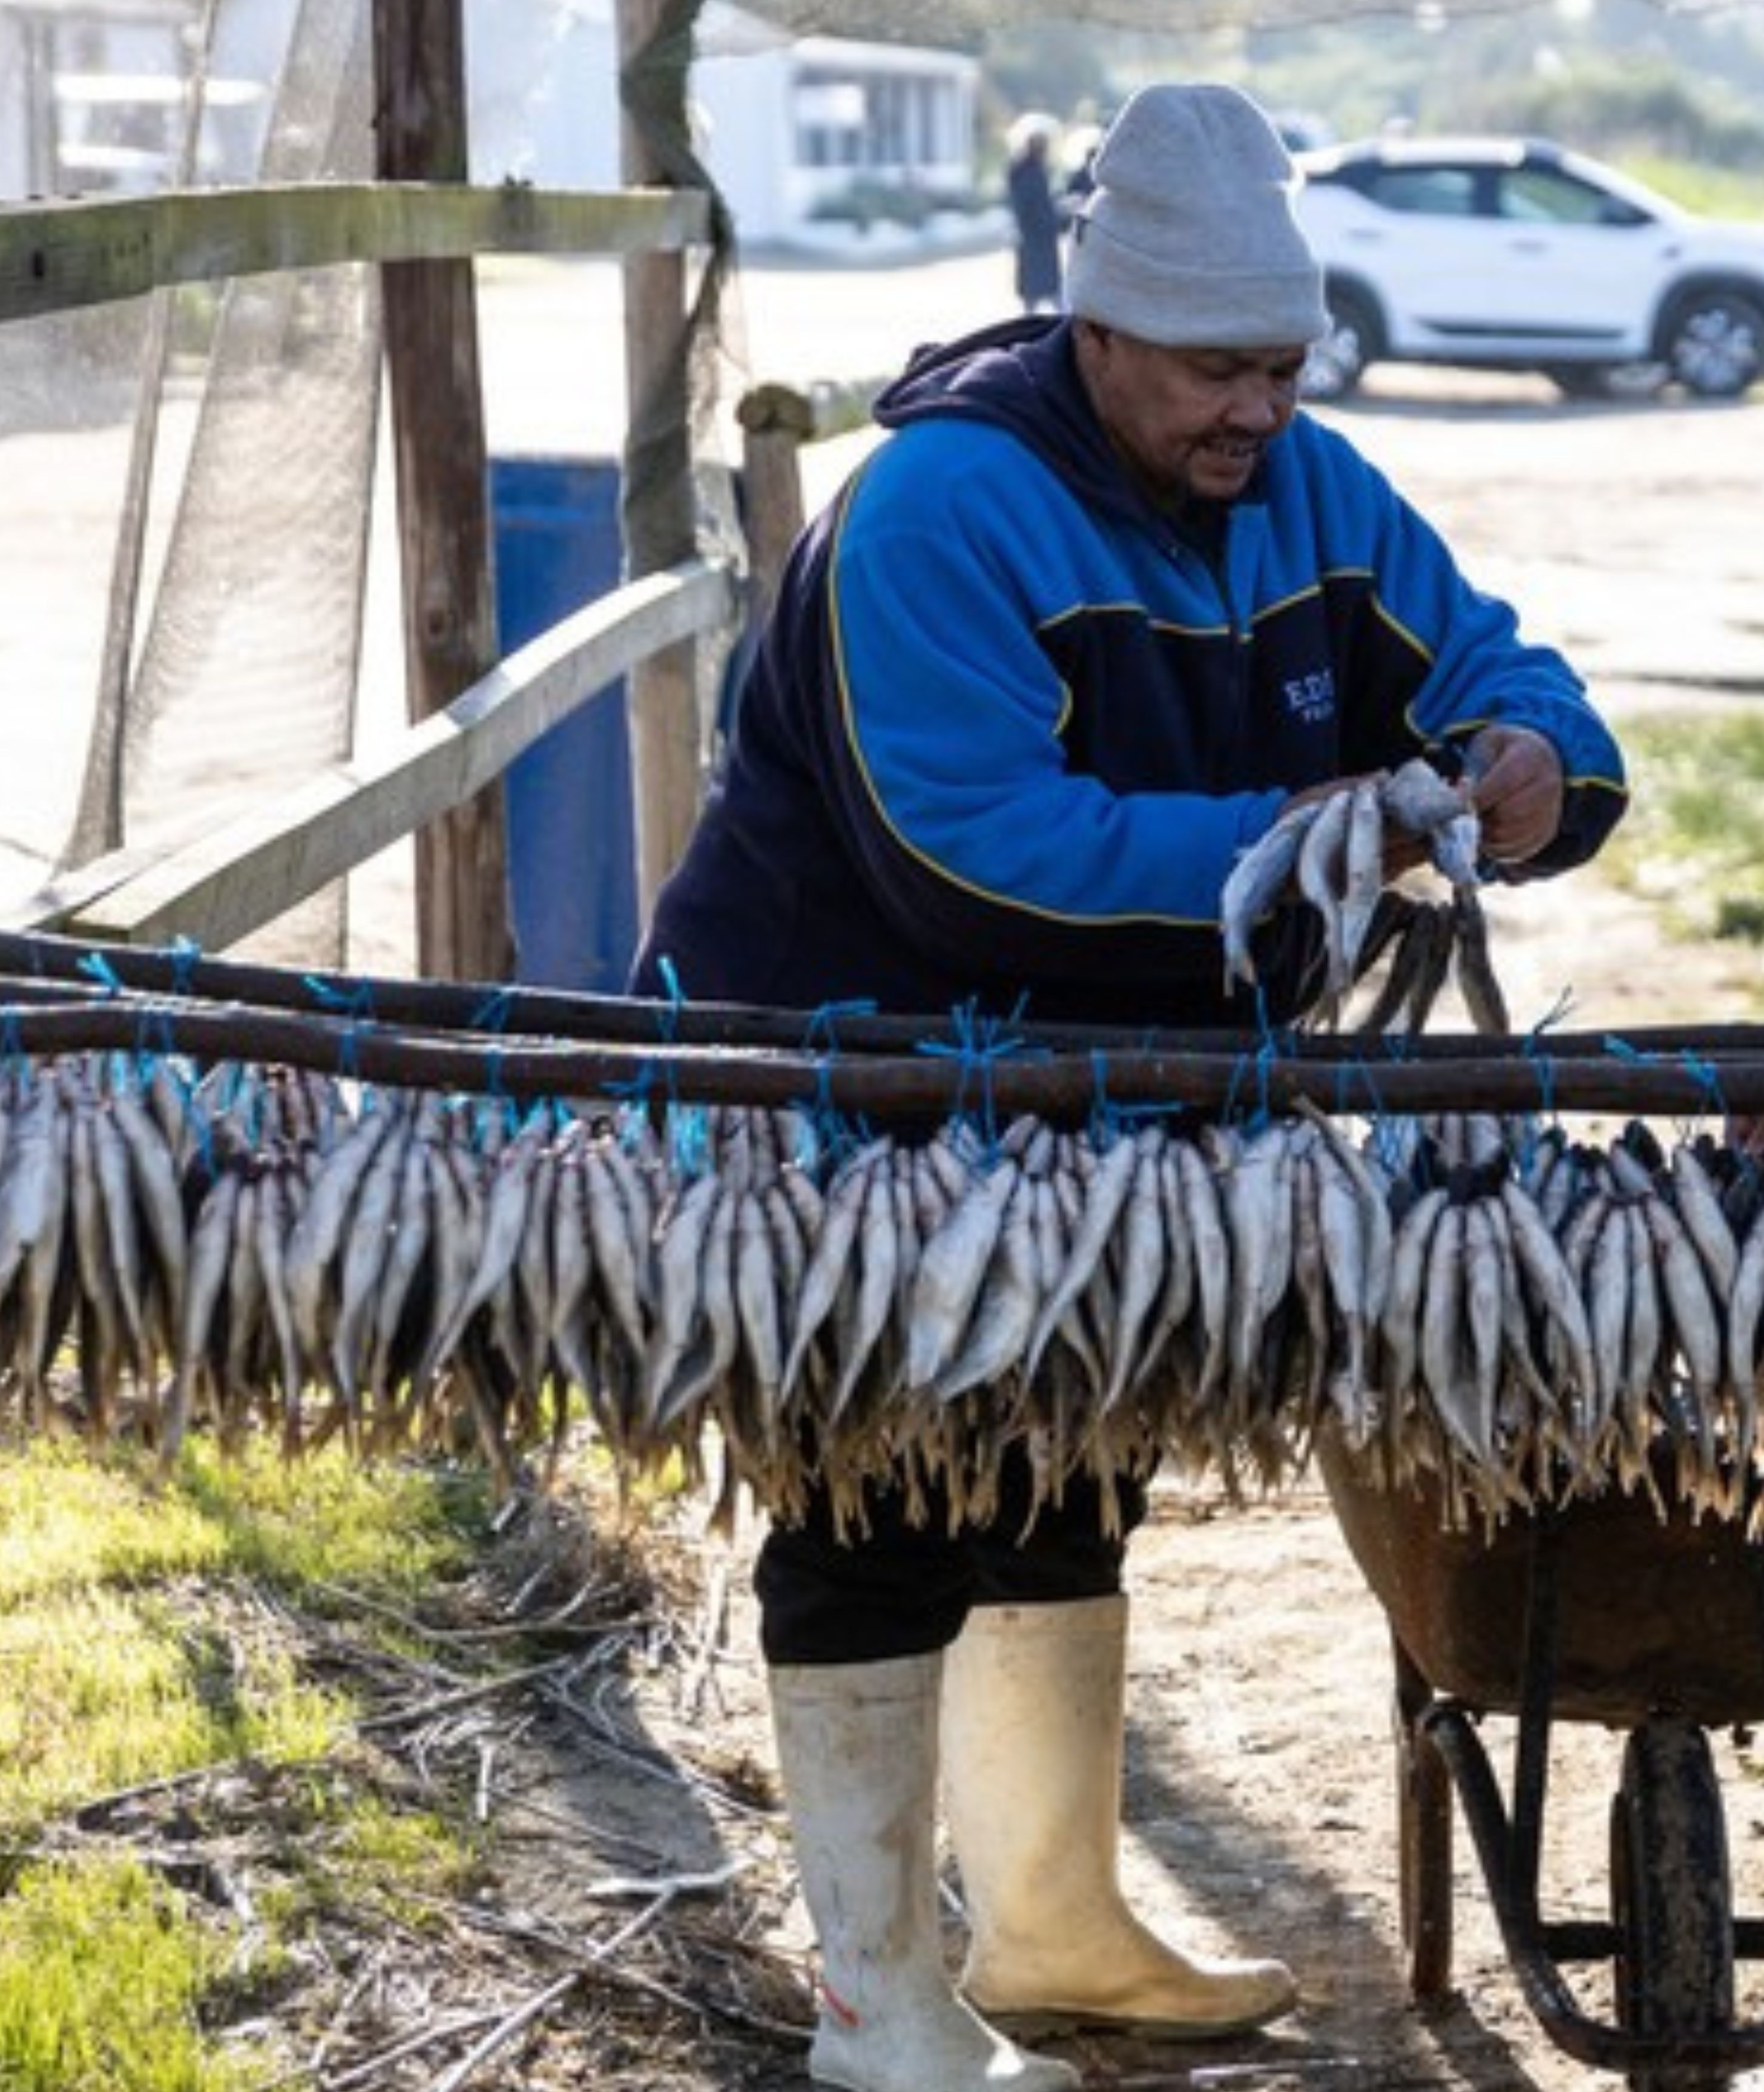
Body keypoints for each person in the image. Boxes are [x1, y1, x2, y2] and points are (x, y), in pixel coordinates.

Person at [637, 82, 1625, 2092]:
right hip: (856, 1089)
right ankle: (872, 1997)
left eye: (1282, 365)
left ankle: (1058, 1922)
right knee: (881, 1488)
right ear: (1096, 334)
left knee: (1075, 1468)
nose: (1255, 410)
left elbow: (1507, 678)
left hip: (1121, 1111)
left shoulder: (1320, 492)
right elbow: (972, 845)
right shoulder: (939, 508)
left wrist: (1525, 764)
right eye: (1213, 372)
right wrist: (1313, 826)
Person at [1002, 112, 1065, 316]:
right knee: (1040, 293)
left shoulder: (1030, 169)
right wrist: (1055, 218)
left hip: (1037, 239)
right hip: (1035, 238)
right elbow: (1032, 206)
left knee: (1041, 294)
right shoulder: (1026, 171)